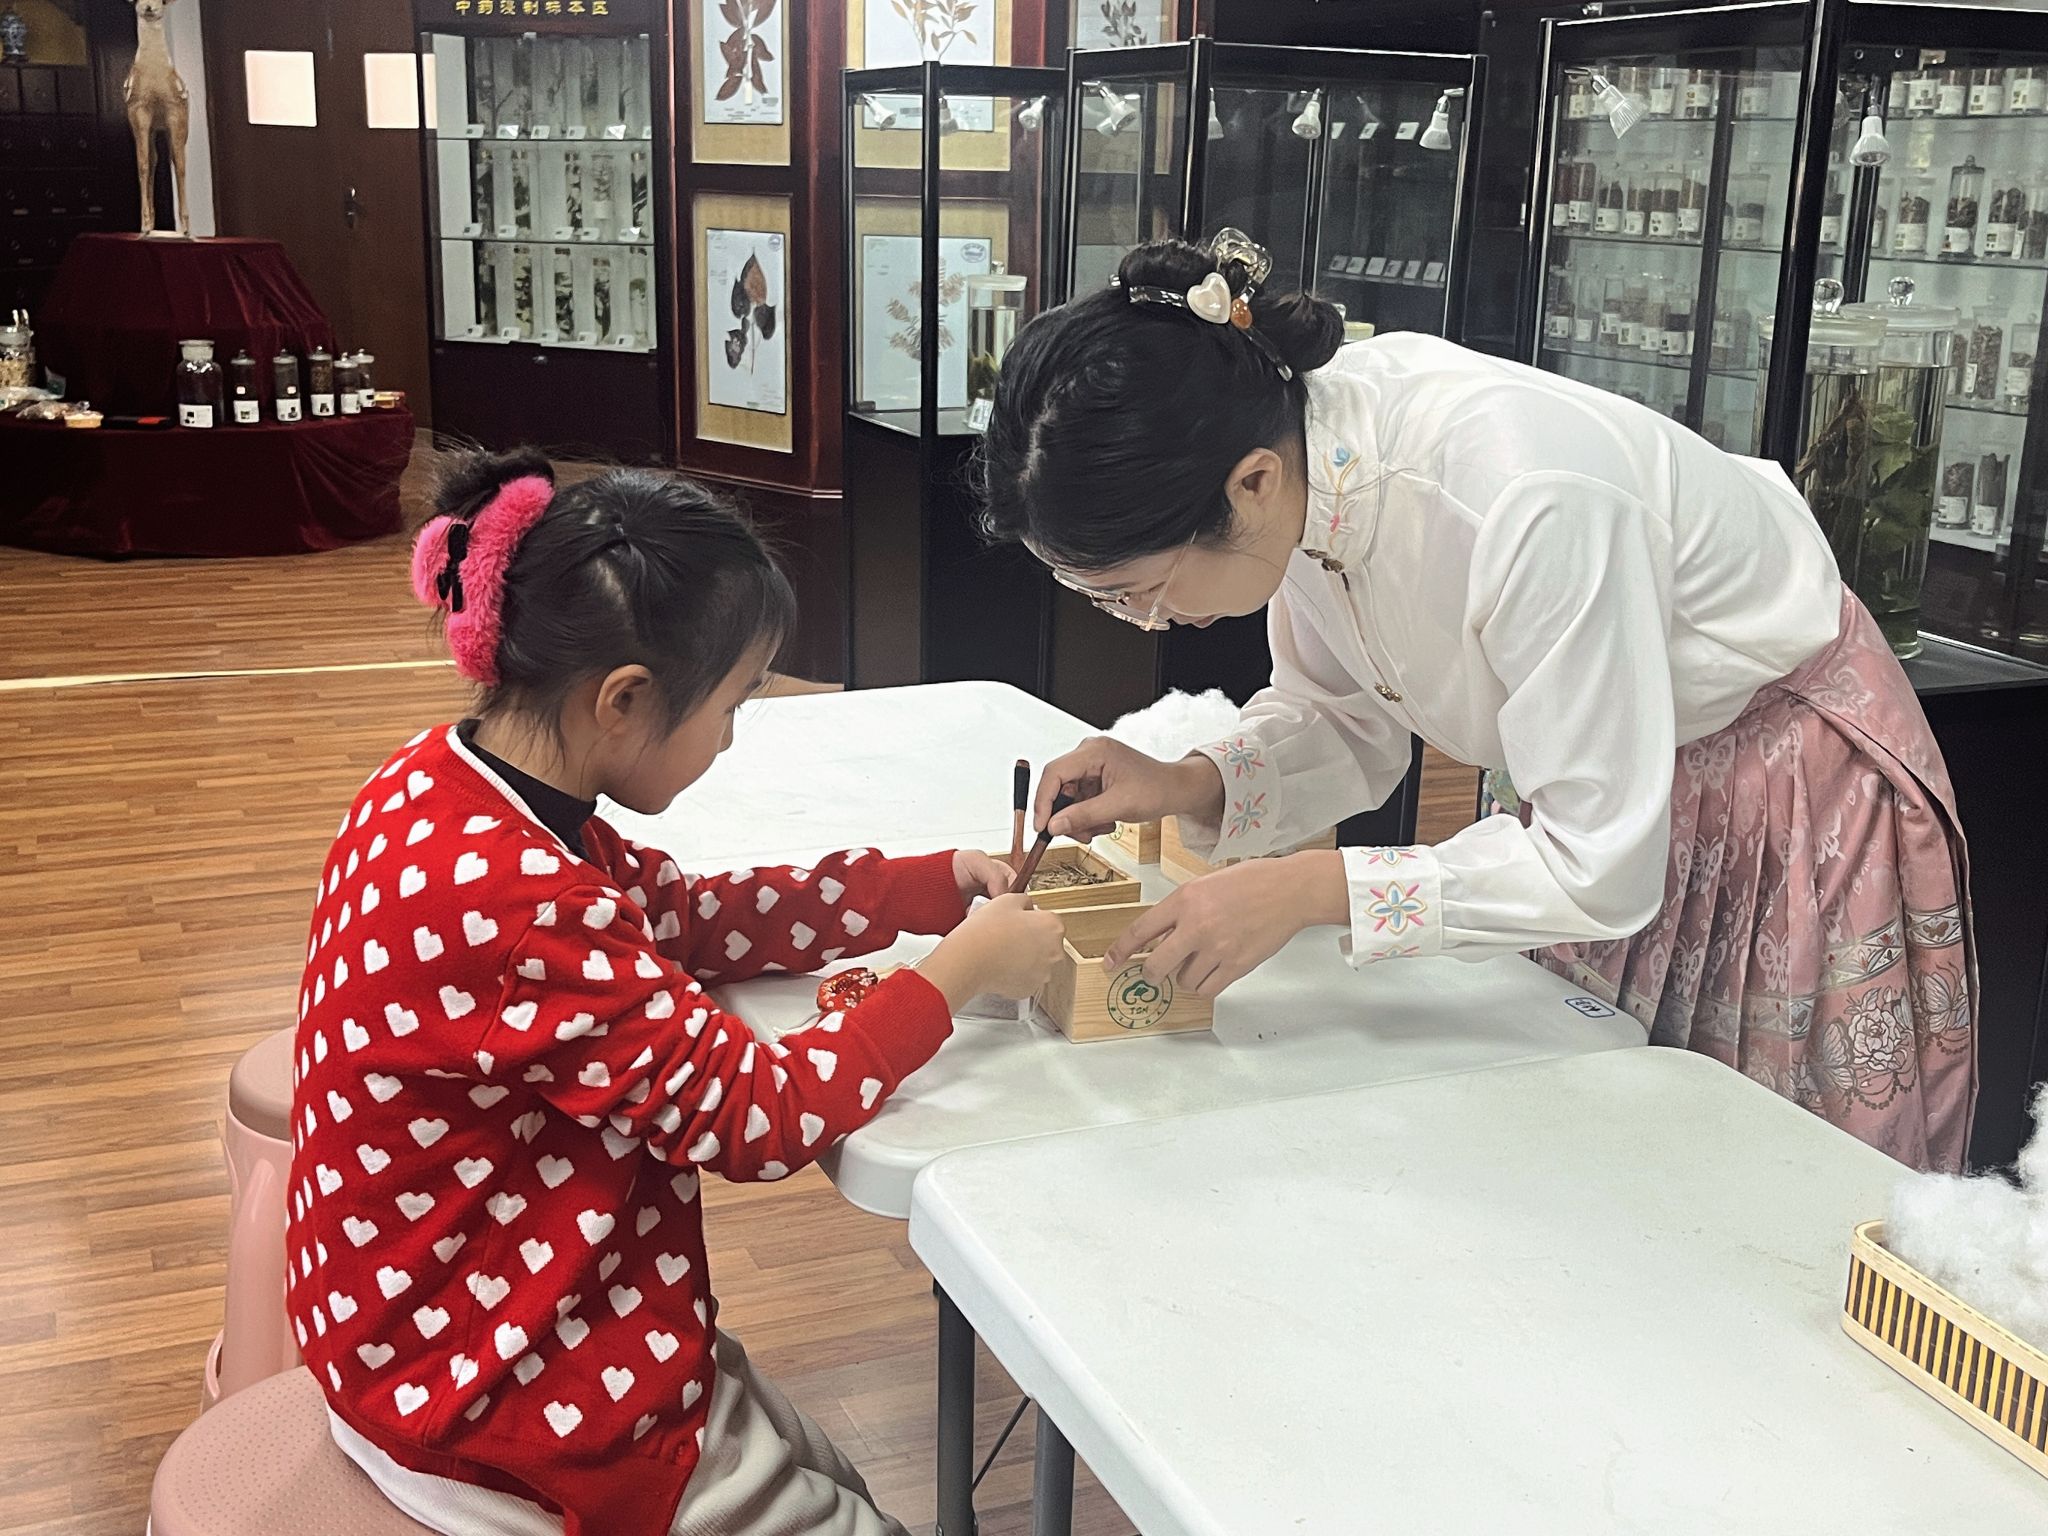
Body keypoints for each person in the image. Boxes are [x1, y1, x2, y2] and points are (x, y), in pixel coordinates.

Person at [979, 231, 1975, 1172]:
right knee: (1589, 1135)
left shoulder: (1520, 496)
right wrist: (1188, 782)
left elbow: (1595, 866)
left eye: (1136, 590)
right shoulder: (1299, 463)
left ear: (1249, 485)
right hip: (1592, 787)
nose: (1142, 621)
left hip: (1771, 776)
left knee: (1751, 1165)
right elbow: (1348, 719)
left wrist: (1306, 890)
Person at [287, 449, 1066, 1536]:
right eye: (733, 704)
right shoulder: (527, 908)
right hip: (490, 1394)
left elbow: (684, 916)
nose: (733, 736)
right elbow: (759, 1113)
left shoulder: (447, 782)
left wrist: (919, 887)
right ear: (623, 701)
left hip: (425, 1324)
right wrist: (963, 969)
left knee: (827, 1473)